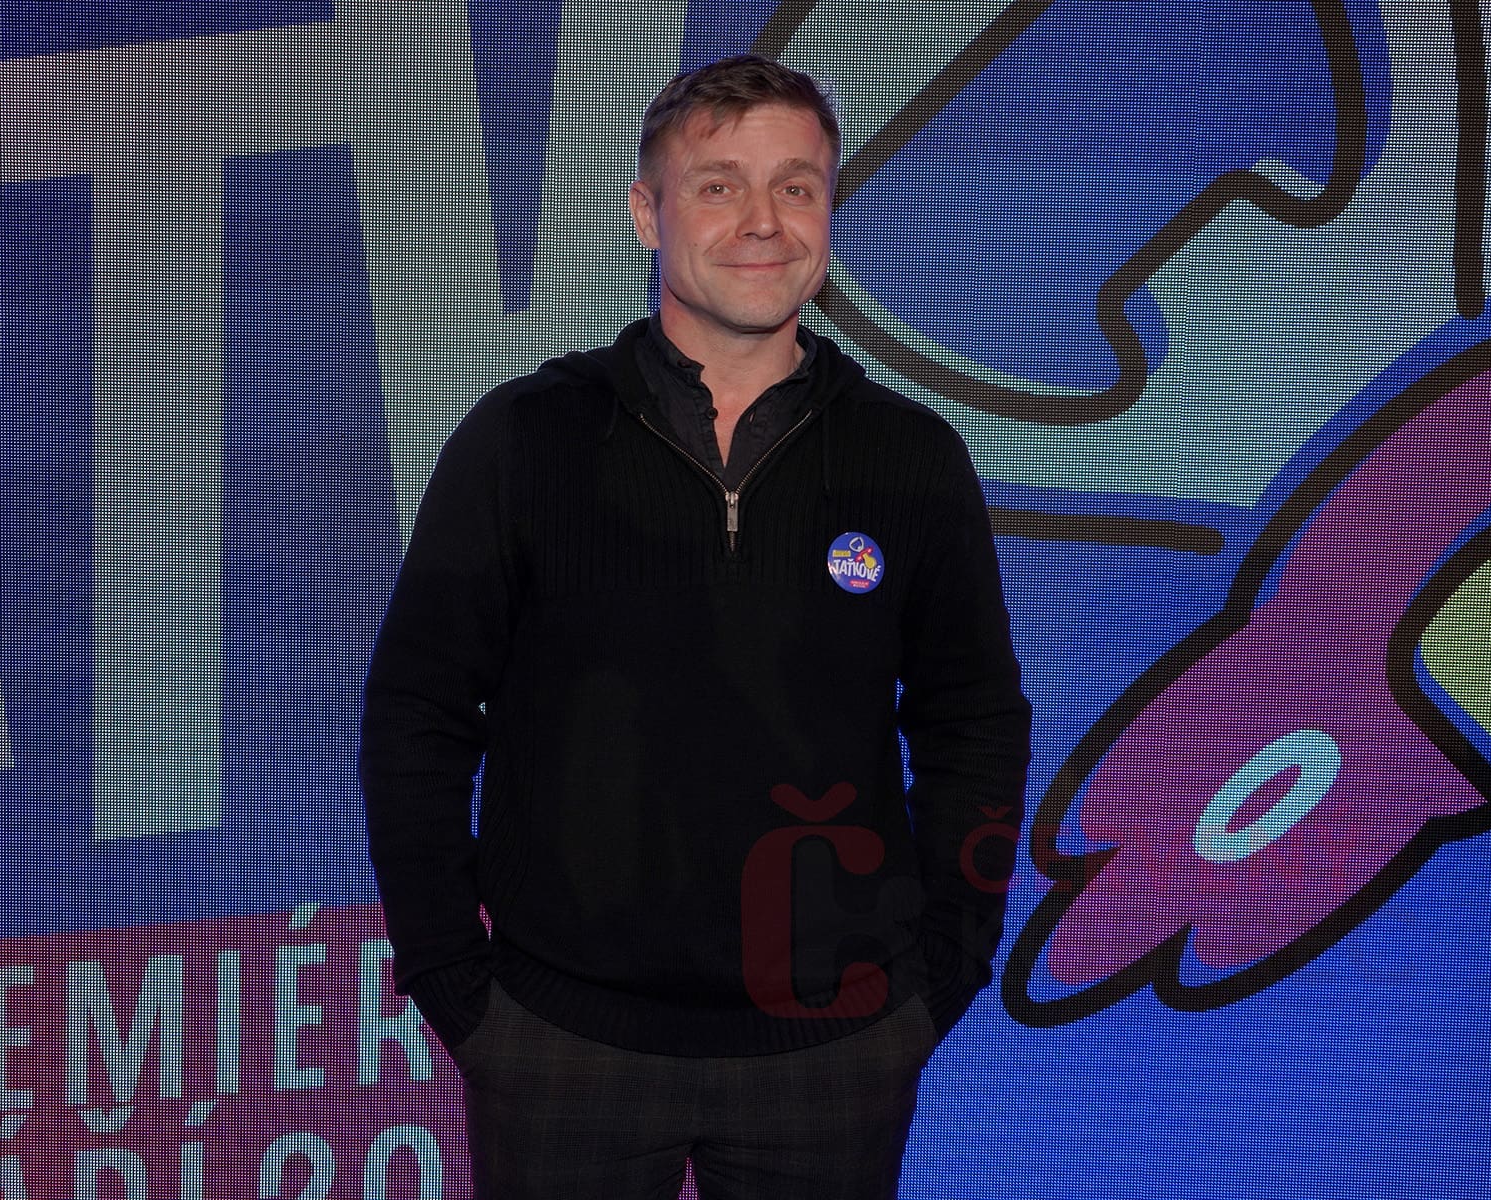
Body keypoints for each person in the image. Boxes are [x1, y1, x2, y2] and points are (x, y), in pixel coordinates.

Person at [361, 53, 1030, 1200]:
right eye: (719, 186)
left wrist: (943, 973)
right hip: (560, 1046)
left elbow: (974, 722)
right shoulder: (525, 440)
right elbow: (416, 713)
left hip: (835, 1052)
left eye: (796, 187)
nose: (764, 221)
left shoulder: (911, 459)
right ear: (647, 214)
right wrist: (454, 983)